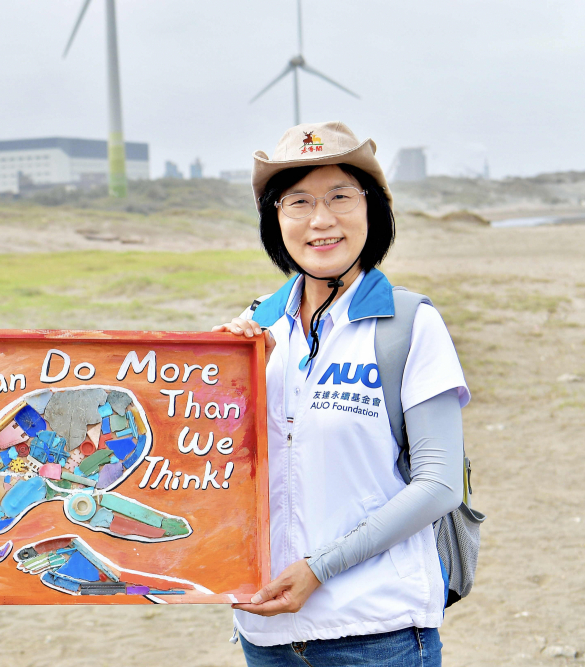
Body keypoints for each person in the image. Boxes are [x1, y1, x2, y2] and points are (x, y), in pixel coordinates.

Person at [213, 121, 469, 666]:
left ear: (373, 208)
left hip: (380, 632)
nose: (320, 219)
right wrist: (215, 380)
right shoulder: (256, 331)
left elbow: (439, 484)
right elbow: (211, 472)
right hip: (266, 635)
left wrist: (319, 569)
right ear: (274, 219)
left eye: (339, 197)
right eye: (298, 201)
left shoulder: (409, 322)